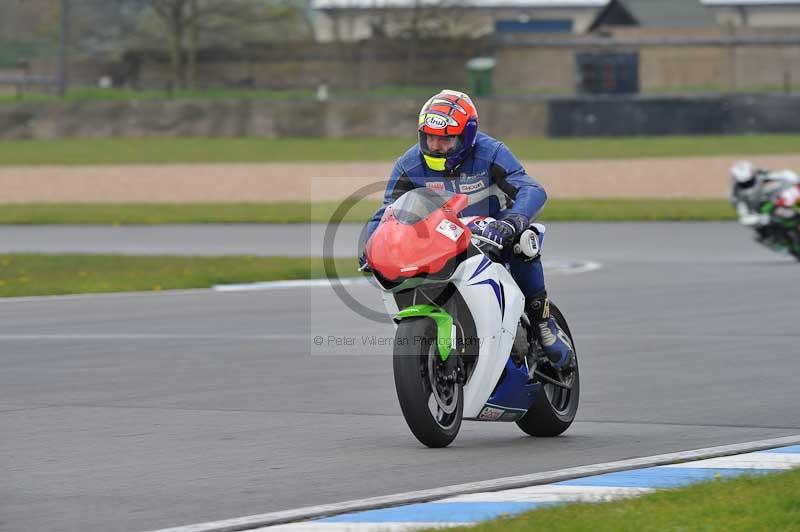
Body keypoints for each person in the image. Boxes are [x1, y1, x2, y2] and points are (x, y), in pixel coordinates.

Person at [361, 89, 574, 373]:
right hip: (441, 238)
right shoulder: (409, 164)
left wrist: (512, 221)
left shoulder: (491, 153)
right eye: (430, 137)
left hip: (494, 234)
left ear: (467, 136)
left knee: (525, 242)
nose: (435, 145)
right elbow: (389, 212)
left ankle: (543, 321)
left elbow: (530, 188)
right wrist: (372, 247)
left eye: (445, 139)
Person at [730, 160, 799, 237]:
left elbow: (783, 175)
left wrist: (794, 179)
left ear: (753, 174)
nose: (748, 186)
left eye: (749, 182)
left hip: (770, 200)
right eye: (744, 184)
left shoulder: (761, 174)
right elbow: (743, 216)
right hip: (758, 213)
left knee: (790, 197)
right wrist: (759, 218)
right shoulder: (736, 195)